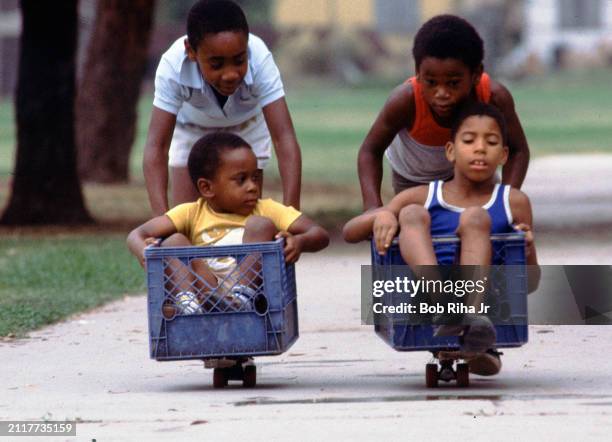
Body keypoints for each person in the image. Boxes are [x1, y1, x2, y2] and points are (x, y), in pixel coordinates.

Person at [344, 103, 539, 376]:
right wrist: (385, 215)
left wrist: (527, 248)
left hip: (488, 300)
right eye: (469, 140)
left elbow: (531, 283)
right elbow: (349, 232)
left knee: (476, 218)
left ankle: (470, 321)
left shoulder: (513, 202)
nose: (480, 148)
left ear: (504, 154)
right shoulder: (423, 196)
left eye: (491, 141)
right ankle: (448, 307)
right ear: (450, 151)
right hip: (425, 297)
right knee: (410, 214)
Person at [128, 132, 329, 316]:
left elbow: (318, 233)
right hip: (207, 291)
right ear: (207, 188)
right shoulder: (191, 212)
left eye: (255, 178)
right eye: (241, 180)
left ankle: (242, 299)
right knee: (173, 242)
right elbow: (138, 233)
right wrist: (142, 250)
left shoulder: (266, 209)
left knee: (260, 225)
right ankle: (189, 306)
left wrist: (299, 242)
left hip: (253, 295)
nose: (253, 187)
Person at [144, 0, 301, 217]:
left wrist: (291, 217)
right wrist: (161, 223)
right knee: (188, 220)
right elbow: (157, 147)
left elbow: (284, 139)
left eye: (239, 60)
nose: (230, 74)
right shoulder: (172, 67)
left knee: (246, 221)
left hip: (247, 129)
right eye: (216, 64)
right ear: (191, 51)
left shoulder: (260, 58)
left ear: (247, 46)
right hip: (191, 130)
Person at [357, 14, 530, 210]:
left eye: (453, 83)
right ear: (417, 72)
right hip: (414, 180)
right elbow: (370, 151)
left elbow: (518, 150)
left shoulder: (494, 97)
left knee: (479, 223)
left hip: (471, 172)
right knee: (416, 223)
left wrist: (505, 202)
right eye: (431, 82)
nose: (441, 93)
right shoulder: (405, 101)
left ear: (476, 74)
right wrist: (372, 207)